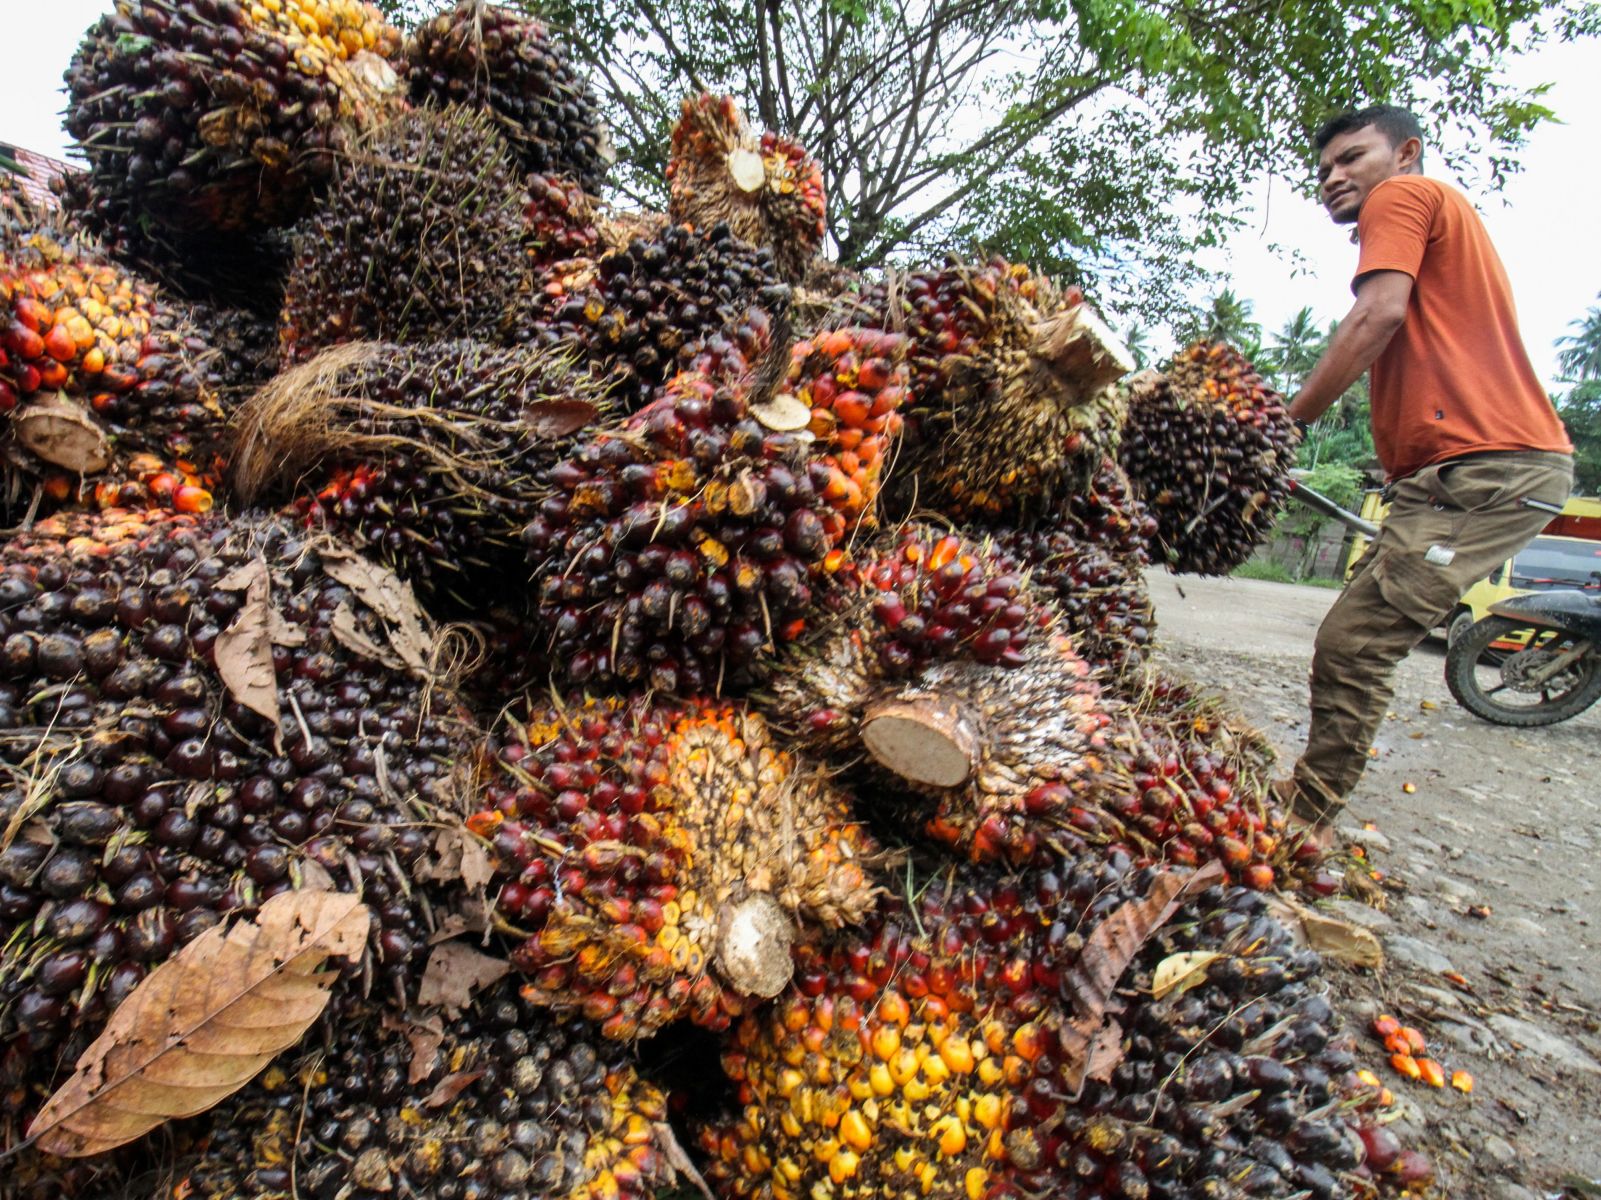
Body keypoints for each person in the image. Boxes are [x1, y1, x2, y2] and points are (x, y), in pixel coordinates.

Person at [1277, 105, 1574, 850]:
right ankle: (1303, 798)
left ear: (1404, 153)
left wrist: (1285, 422)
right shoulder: (1429, 215)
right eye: (1323, 172)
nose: (1335, 179)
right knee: (1355, 631)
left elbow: (1376, 315)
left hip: (1485, 469)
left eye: (1351, 158)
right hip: (1464, 473)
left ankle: (1299, 822)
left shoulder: (1403, 197)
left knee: (1355, 642)